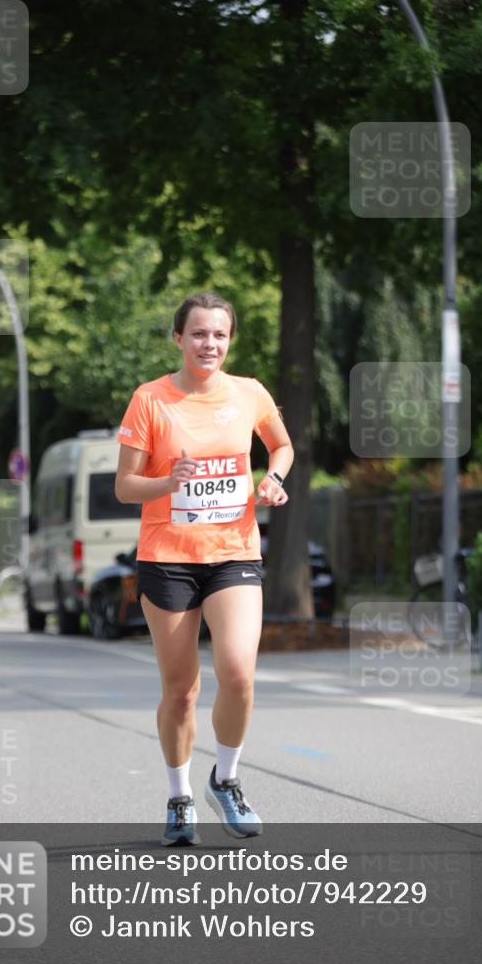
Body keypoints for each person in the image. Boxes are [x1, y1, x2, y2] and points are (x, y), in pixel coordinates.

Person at [115, 291, 294, 846]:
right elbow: (125, 486)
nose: (208, 343)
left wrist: (273, 479)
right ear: (178, 338)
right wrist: (171, 481)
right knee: (182, 690)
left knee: (238, 674)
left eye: (218, 334)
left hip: (234, 551)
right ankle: (179, 796)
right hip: (167, 558)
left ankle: (227, 779)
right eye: (197, 333)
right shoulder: (150, 399)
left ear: (229, 339)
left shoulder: (249, 393)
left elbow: (281, 446)